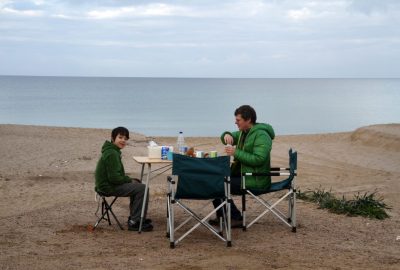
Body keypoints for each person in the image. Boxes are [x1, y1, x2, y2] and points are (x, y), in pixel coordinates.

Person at [211, 105, 275, 227]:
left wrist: (236, 152)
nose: (235, 122)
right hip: (244, 176)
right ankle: (224, 216)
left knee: (217, 184)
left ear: (248, 120)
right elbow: (227, 137)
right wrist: (226, 134)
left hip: (255, 180)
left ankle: (235, 217)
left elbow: (259, 159)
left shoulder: (261, 135)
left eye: (238, 120)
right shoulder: (243, 133)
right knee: (214, 179)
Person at [95, 127, 153, 232]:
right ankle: (135, 222)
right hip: (108, 187)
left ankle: (136, 218)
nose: (123, 141)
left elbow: (115, 176)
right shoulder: (112, 153)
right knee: (142, 188)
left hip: (107, 184)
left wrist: (130, 180)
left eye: (125, 139)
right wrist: (128, 180)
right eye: (120, 137)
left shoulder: (112, 151)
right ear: (113, 138)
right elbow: (114, 178)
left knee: (137, 183)